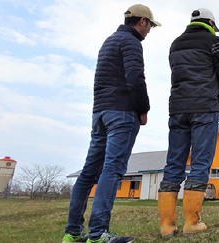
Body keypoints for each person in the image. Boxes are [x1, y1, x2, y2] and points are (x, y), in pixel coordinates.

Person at [62, 4, 160, 243]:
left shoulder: (109, 41)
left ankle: (72, 233)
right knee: (112, 169)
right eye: (150, 26)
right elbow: (136, 79)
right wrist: (143, 110)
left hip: (100, 113)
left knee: (89, 172)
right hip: (122, 113)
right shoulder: (131, 43)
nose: (150, 31)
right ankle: (97, 234)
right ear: (141, 22)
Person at [157, 8, 219, 238]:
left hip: (178, 109)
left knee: (173, 163)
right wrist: (212, 89)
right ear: (210, 22)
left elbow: (175, 72)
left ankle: (166, 227)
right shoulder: (214, 41)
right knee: (200, 162)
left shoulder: (175, 44)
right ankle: (192, 223)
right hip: (204, 108)